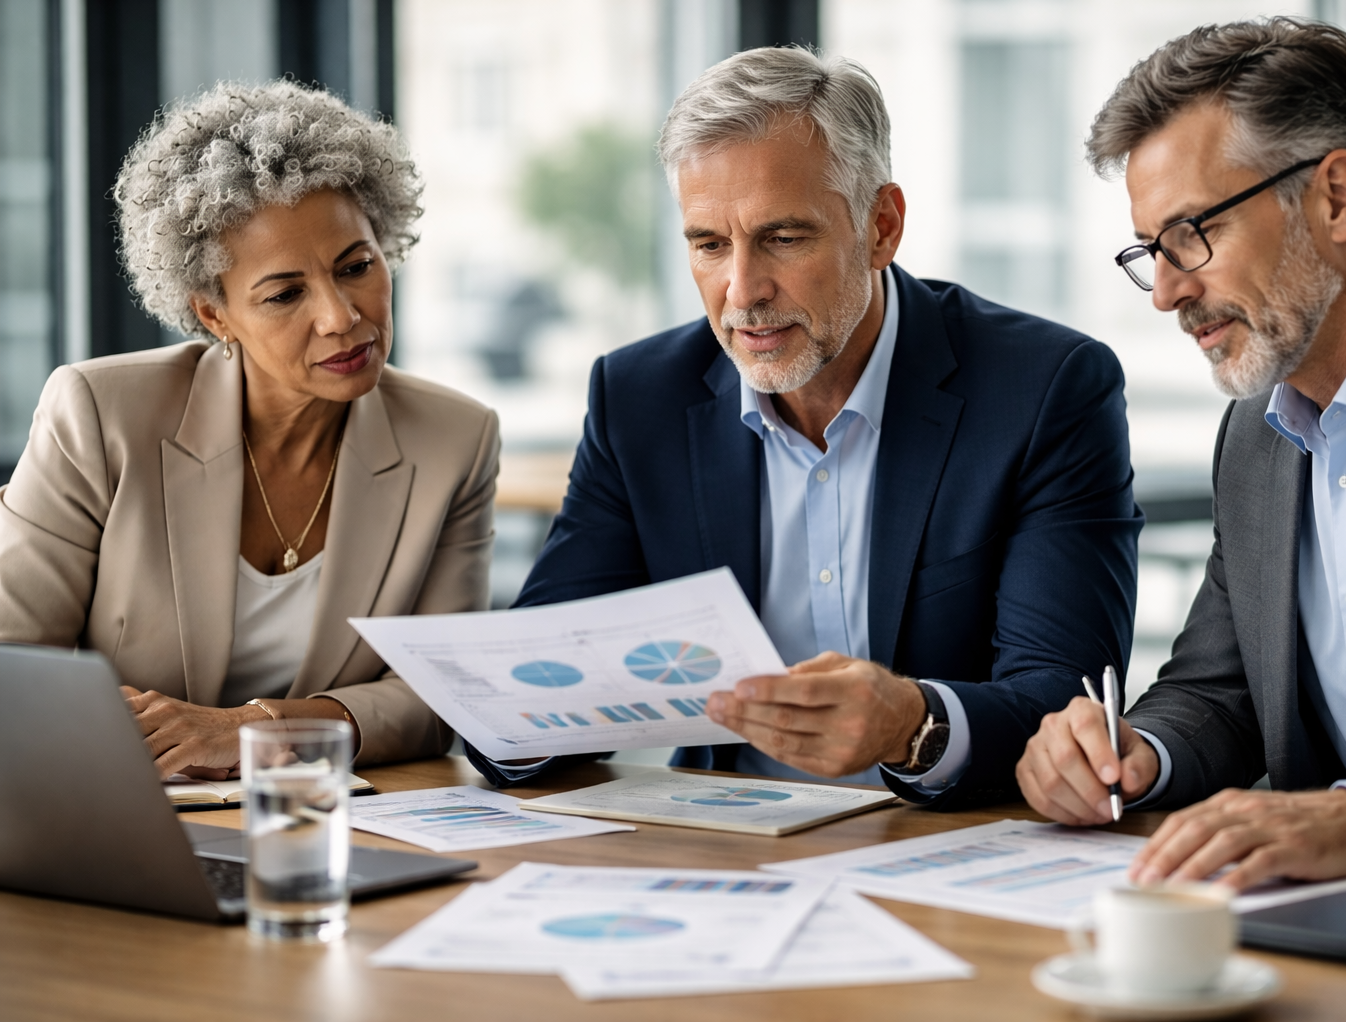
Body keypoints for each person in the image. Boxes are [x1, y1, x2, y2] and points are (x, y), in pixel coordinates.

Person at [467, 47, 1141, 808]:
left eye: (783, 238)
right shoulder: (638, 398)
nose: (742, 291)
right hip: (723, 856)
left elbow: (1066, 703)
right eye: (708, 245)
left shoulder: (1044, 388)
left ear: (881, 227)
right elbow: (531, 691)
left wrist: (912, 726)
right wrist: (506, 719)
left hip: (948, 843)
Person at [1017, 18, 1346, 885]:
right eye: (1153, 253)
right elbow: (1220, 692)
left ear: (1336, 195)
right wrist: (1135, 752)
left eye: (1191, 234)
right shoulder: (1258, 430)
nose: (1169, 291)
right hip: (1333, 942)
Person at [0, 81, 500, 776]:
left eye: (356, 267)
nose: (340, 317)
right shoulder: (99, 413)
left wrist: (252, 731)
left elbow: (446, 697)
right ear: (215, 316)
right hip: (125, 803)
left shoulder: (455, 439)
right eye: (285, 294)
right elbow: (12, 660)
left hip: (329, 820)